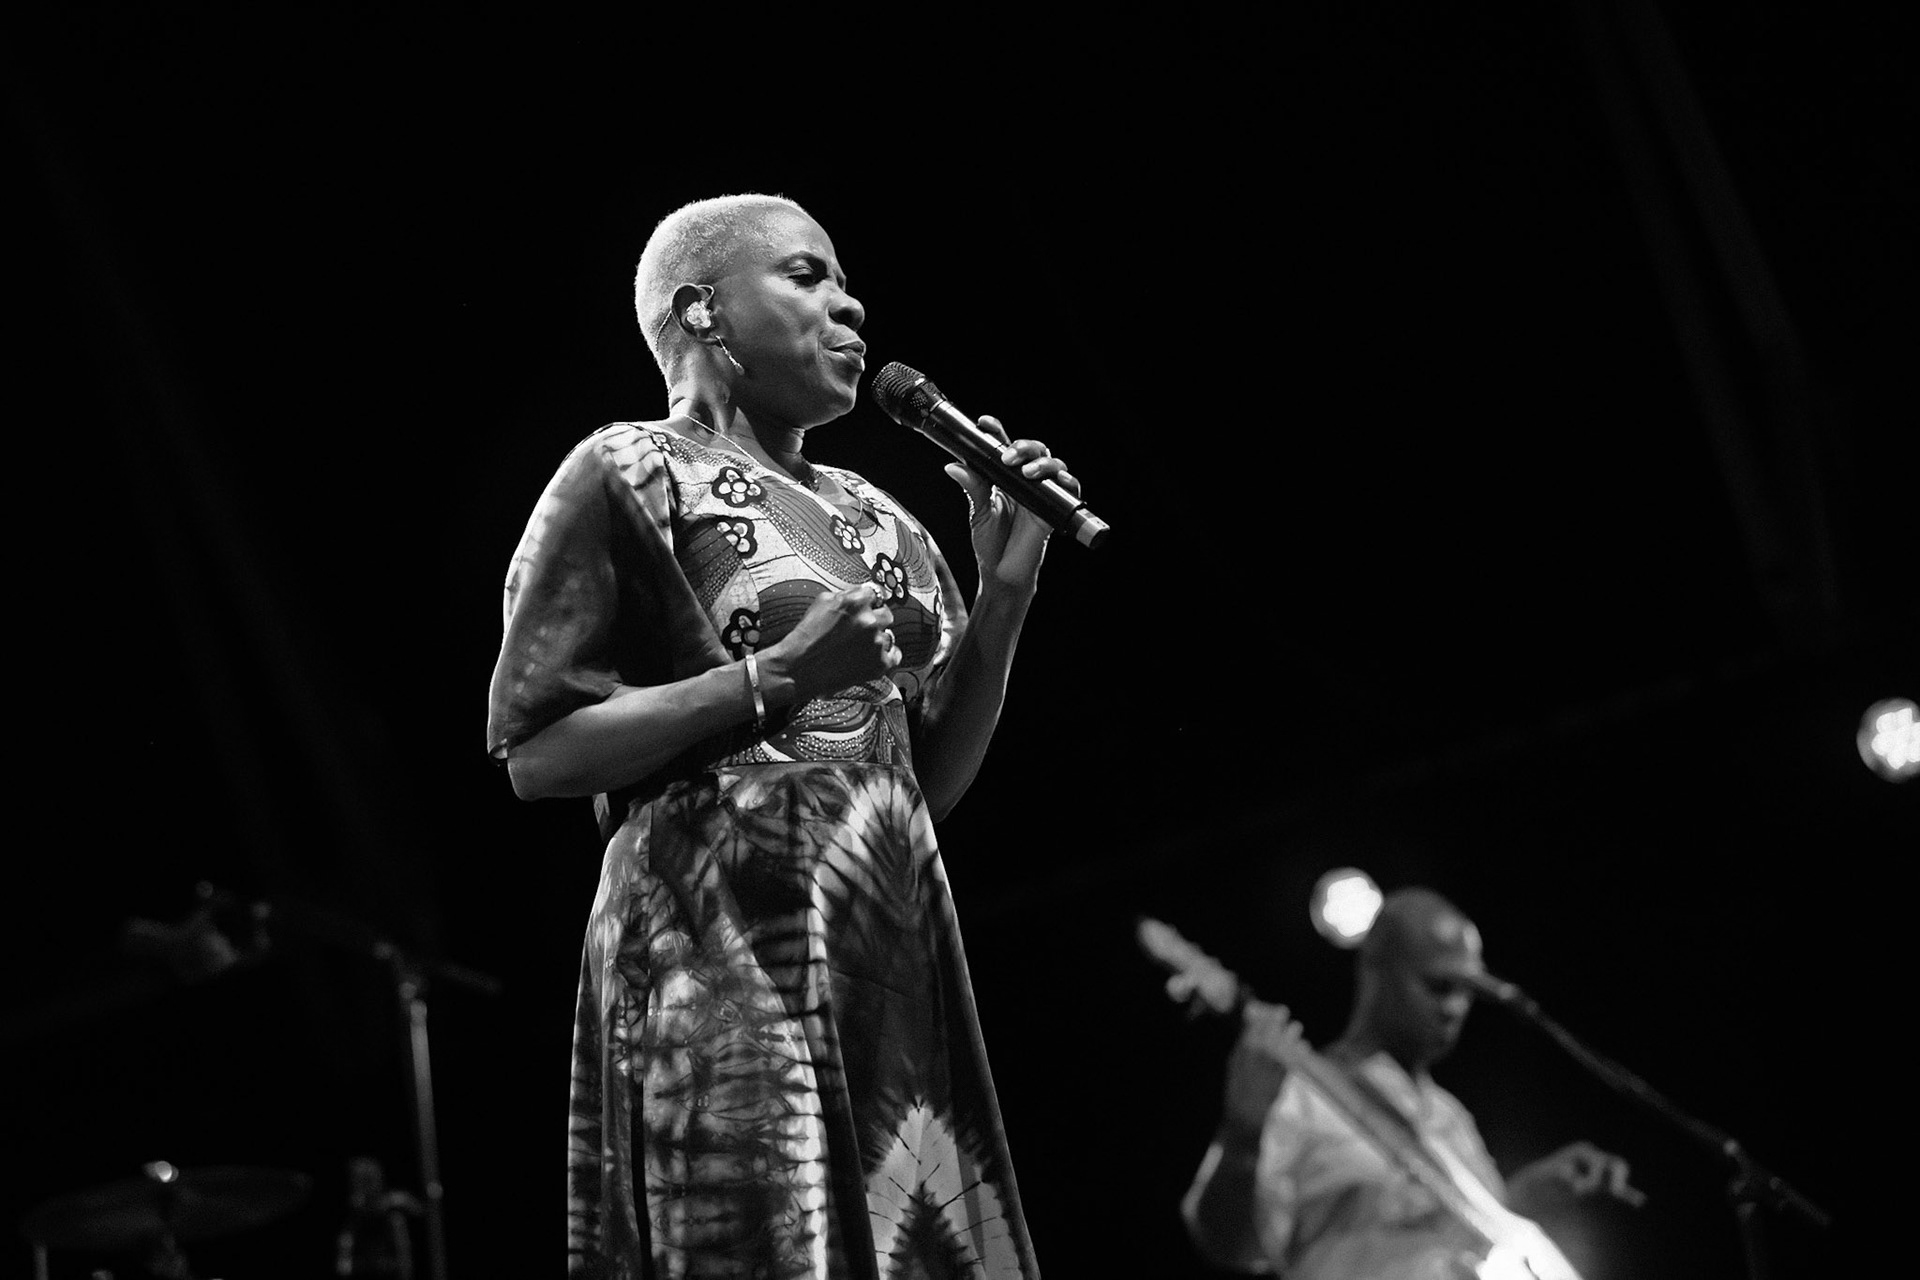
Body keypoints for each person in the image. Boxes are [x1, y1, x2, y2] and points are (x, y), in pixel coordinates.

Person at [485, 193, 1071, 1278]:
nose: (849, 305)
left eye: (845, 282)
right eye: (807, 276)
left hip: (885, 952)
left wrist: (1003, 594)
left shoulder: (883, 517)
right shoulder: (630, 468)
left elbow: (923, 787)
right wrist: (778, 677)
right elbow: (537, 752)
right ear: (704, 310)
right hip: (717, 949)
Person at [1179, 888, 1641, 1278]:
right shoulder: (1303, 1093)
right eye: (1439, 986)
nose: (1455, 1008)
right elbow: (1227, 1244)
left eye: (1467, 991)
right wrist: (1240, 1137)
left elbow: (1468, 1247)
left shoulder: (1451, 1116)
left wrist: (1526, 1196)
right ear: (1376, 970)